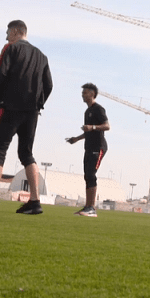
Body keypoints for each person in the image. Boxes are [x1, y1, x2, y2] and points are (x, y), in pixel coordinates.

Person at [0, 20, 52, 214]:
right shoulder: (42, 56)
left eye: (8, 32)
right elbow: (49, 85)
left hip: (9, 108)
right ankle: (35, 201)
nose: (6, 36)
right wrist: (38, 103)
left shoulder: (10, 48)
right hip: (32, 112)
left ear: (17, 31)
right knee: (26, 153)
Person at [65, 83, 110, 218]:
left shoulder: (98, 109)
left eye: (84, 92)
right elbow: (88, 131)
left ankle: (92, 208)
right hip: (89, 147)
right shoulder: (87, 111)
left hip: (98, 147)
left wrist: (93, 127)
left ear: (92, 93)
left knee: (91, 174)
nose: (82, 95)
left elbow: (107, 126)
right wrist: (76, 139)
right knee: (87, 176)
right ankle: (87, 206)